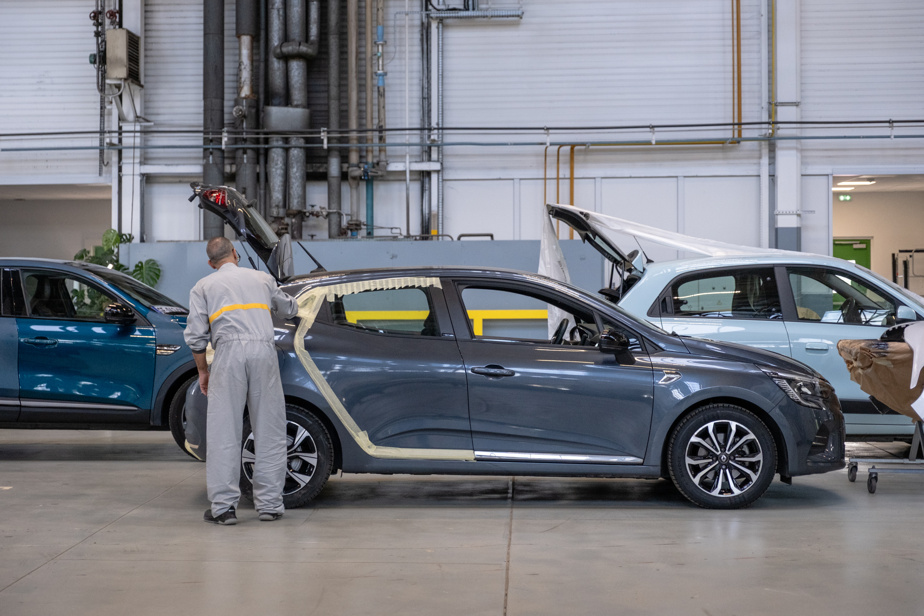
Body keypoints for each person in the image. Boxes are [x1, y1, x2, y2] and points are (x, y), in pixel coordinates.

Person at [184, 237, 299, 525]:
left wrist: (203, 372)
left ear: (211, 263)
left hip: (228, 354)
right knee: (270, 428)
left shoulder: (203, 287)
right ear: (235, 253)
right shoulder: (262, 279)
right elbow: (289, 309)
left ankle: (224, 508)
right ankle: (270, 505)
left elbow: (196, 338)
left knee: (224, 431)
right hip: (263, 352)